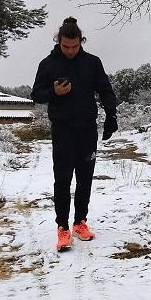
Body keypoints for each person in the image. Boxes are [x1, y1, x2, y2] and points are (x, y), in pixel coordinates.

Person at [31, 17, 118, 252]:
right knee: (62, 179)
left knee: (85, 178)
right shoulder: (48, 64)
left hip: (87, 129)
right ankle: (62, 227)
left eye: (75, 46)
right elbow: (36, 94)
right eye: (66, 46)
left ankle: (80, 222)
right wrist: (54, 92)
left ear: (81, 42)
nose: (70, 51)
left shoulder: (92, 63)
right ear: (59, 41)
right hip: (62, 129)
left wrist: (111, 116)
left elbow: (105, 89)